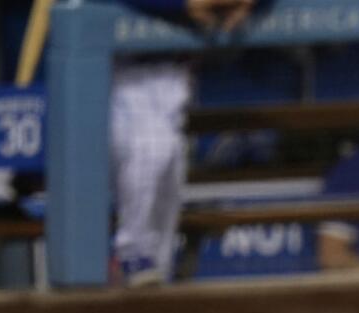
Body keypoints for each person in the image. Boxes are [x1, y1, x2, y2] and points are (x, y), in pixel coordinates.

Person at [109, 0, 256, 286]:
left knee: (169, 181)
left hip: (175, 73)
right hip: (119, 73)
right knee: (152, 151)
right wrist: (182, 4)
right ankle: (131, 255)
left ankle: (152, 277)